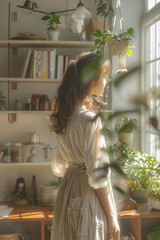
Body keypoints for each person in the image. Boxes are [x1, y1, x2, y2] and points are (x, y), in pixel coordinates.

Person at [50, 52, 120, 240]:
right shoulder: (90, 120)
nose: (106, 82)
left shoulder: (64, 115)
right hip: (88, 195)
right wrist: (113, 217)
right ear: (92, 83)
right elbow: (97, 175)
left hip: (67, 191)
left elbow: (60, 164)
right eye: (104, 77)